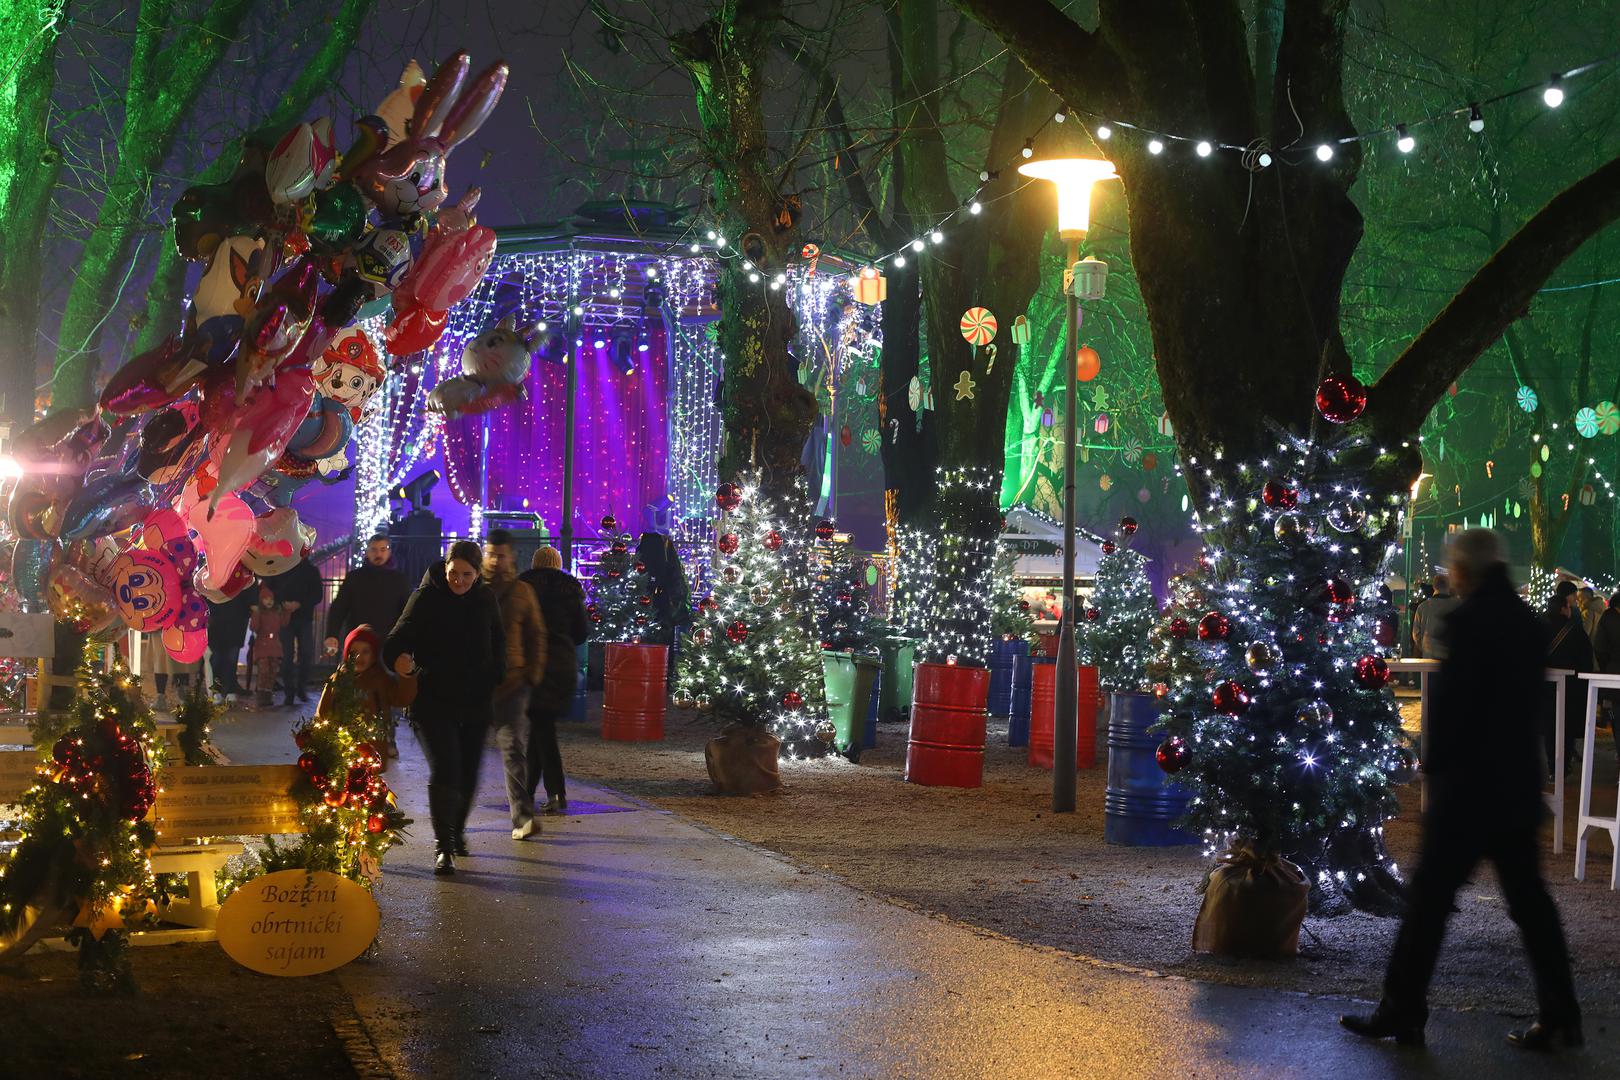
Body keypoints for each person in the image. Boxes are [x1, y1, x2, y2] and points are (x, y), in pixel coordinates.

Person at [1342, 529, 1580, 1052]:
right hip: (1514, 788)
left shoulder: (1467, 622)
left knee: (1427, 904)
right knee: (1530, 904)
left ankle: (1402, 1008)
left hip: (1469, 793)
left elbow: (1452, 712)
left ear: (1463, 571)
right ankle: (1561, 1012)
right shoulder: (1523, 621)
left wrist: (1433, 765)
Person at [383, 541, 505, 877]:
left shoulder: (485, 599)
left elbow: (498, 640)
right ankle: (444, 847)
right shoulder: (426, 597)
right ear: (446, 568)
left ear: (478, 574)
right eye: (455, 573)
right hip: (433, 700)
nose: (460, 581)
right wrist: (400, 660)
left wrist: (497, 673)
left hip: (476, 701)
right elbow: (396, 639)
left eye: (467, 575)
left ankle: (457, 830)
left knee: (467, 771)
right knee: (447, 766)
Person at [482, 529, 546, 840]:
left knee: (513, 749)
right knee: (464, 754)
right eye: (490, 554)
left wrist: (532, 674)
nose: (495, 560)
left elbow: (537, 635)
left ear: (511, 557)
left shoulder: (522, 592)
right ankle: (452, 825)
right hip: (477, 685)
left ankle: (522, 816)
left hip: (513, 683)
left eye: (500, 555)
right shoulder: (473, 589)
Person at [520, 545, 589, 814]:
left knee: (542, 730)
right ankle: (528, 791)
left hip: (532, 665)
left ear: (534, 564)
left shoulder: (523, 590)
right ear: (559, 564)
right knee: (541, 727)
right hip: (561, 666)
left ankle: (555, 792)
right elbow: (581, 633)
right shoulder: (570, 593)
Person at [315, 625, 418, 730]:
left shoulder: (381, 680)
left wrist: (407, 675)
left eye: (365, 652)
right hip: (339, 742)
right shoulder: (337, 679)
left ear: (373, 656)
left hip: (375, 743)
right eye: (354, 652)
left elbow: (402, 699)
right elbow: (322, 711)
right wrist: (317, 735)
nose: (359, 657)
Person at [324, 535, 412, 655]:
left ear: (389, 552)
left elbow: (407, 612)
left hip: (388, 642)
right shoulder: (354, 578)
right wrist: (332, 634)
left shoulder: (399, 580)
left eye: (383, 549)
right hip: (358, 641)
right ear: (367, 552)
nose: (378, 554)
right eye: (374, 549)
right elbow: (339, 608)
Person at [1543, 580, 1593, 780]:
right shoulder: (1574, 630)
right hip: (1571, 688)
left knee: (1549, 728)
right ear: (1564, 609)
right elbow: (1586, 659)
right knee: (1566, 728)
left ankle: (1552, 768)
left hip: (1545, 687)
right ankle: (1563, 766)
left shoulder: (1539, 627)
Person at [269, 556, 324, 706]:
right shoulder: (282, 568)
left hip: (304, 617)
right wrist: (283, 603)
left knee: (306, 653)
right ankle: (290, 691)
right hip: (286, 617)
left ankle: (301, 687)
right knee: (287, 655)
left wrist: (299, 604)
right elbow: (272, 589)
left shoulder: (310, 570)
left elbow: (317, 595)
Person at [206, 587, 255, 701]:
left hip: (236, 618)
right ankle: (217, 690)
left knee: (231, 658)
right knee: (216, 657)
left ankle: (229, 689)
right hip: (216, 619)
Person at [248, 587, 288, 709]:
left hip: (274, 645)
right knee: (264, 670)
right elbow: (254, 627)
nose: (269, 601)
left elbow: (284, 623)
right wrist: (256, 615)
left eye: (270, 598)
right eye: (266, 599)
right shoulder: (259, 613)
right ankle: (262, 695)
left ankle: (268, 694)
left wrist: (287, 612)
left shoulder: (277, 612)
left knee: (272, 671)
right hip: (263, 644)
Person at [1409, 573, 1460, 661]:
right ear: (1449, 586)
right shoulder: (1458, 605)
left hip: (1429, 656)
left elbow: (1416, 633)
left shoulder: (1423, 606)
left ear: (1434, 587)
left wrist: (1424, 647)